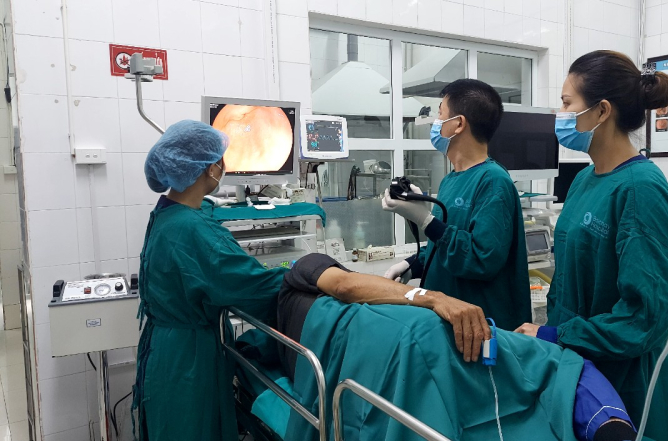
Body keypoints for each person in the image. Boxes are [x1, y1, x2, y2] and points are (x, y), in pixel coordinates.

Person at [271, 253, 639, 441]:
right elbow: (346, 285)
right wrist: (430, 296)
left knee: (487, 370)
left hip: (396, 339)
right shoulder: (301, 271)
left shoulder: (288, 341)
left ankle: (603, 422)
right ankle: (602, 418)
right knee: (537, 362)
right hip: (406, 336)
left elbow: (350, 287)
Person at [514, 51, 668, 441]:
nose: (559, 115)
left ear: (602, 111)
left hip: (624, 380)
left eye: (566, 104)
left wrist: (557, 335)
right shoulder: (585, 180)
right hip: (577, 366)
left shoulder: (641, 189)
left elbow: (649, 317)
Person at [132, 120, 288, 441]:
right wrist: (305, 275)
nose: (223, 167)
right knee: (192, 429)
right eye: (220, 160)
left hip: (164, 349)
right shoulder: (194, 231)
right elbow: (253, 287)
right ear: (210, 168)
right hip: (188, 360)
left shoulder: (167, 214)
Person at [382, 78, 530, 330]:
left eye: (440, 114)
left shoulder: (493, 182)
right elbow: (445, 243)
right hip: (448, 321)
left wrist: (426, 220)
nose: (435, 122)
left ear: (459, 123)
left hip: (480, 327)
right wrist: (412, 264)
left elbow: (481, 259)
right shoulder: (451, 180)